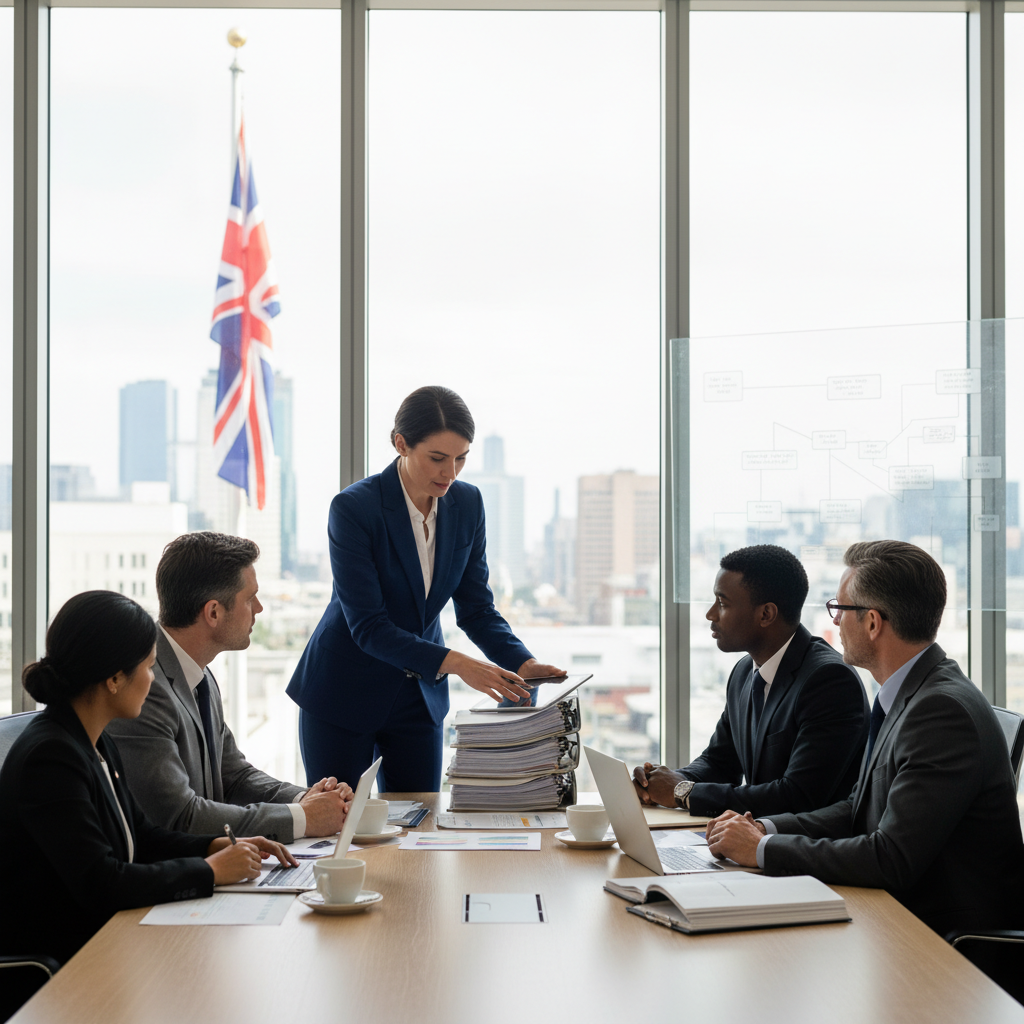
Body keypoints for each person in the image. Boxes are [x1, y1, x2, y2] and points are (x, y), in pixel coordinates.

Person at [705, 540, 1024, 935]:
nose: (834, 622)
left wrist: (760, 850)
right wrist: (765, 829)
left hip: (943, 943)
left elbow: (891, 857)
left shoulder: (940, 712)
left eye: (840, 610)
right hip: (896, 917)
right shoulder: (911, 692)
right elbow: (857, 809)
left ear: (872, 623)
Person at [287, 385, 564, 791]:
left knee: (420, 828)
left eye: (461, 459)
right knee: (339, 829)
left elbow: (476, 608)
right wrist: (458, 664)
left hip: (419, 697)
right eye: (437, 458)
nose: (449, 473)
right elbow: (368, 626)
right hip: (343, 692)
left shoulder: (468, 504)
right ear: (401, 444)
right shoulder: (353, 509)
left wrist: (520, 663)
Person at [0, 591, 296, 966]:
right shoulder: (51, 757)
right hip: (64, 963)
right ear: (114, 678)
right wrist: (209, 871)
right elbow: (102, 883)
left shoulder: (94, 739)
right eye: (149, 667)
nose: (153, 680)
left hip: (107, 941)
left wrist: (213, 846)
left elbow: (142, 835)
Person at [107, 533, 352, 842]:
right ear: (213, 612)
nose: (259, 608)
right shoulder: (146, 687)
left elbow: (234, 777)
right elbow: (180, 817)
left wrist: (307, 799)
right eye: (250, 598)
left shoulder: (200, 675)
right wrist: (303, 818)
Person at [633, 545, 869, 818]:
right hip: (749, 841)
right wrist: (660, 782)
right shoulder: (744, 673)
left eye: (722, 603)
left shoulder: (830, 681)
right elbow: (719, 762)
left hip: (803, 850)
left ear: (766, 614)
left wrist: (683, 792)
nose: (710, 614)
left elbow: (797, 796)